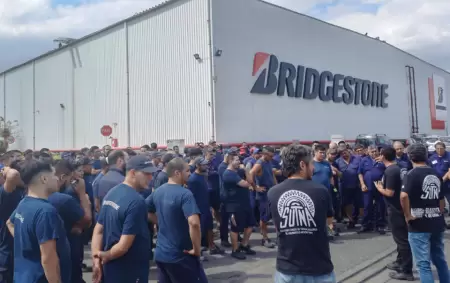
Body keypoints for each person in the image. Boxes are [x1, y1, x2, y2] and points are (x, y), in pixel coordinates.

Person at [268, 144, 336, 283]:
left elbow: (277, 227)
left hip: (287, 269)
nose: (314, 168)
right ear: (302, 165)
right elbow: (328, 223)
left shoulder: (273, 193)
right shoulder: (321, 191)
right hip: (318, 269)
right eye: (311, 163)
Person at [91, 155, 156, 283]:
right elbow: (123, 246)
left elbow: (98, 230)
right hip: (130, 270)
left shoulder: (112, 193)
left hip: (111, 270)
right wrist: (104, 256)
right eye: (146, 173)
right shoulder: (137, 202)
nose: (150, 178)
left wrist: (96, 258)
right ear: (133, 173)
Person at [6, 160, 71, 283]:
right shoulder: (46, 212)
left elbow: (9, 223)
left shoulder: (24, 203)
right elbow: (48, 259)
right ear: (44, 179)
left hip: (23, 277)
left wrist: (29, 244)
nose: (57, 179)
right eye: (53, 175)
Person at [146, 157, 208, 283]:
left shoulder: (158, 191)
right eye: (187, 171)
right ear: (177, 173)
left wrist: (161, 221)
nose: (190, 173)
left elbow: (144, 210)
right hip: (181, 255)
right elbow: (194, 223)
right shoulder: (185, 194)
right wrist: (196, 249)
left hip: (161, 254)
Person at [401, 143, 450, 283]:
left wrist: (407, 216)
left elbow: (403, 196)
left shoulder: (411, 174)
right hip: (436, 221)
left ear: (410, 157)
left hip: (418, 223)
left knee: (423, 264)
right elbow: (441, 200)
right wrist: (438, 213)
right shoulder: (435, 173)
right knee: (440, 260)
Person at [374, 147, 413, 280]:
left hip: (396, 209)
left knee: (401, 240)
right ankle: (400, 261)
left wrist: (380, 188)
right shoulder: (399, 167)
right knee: (401, 239)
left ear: (383, 156)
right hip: (399, 208)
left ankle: (407, 270)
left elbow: (390, 192)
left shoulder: (391, 171)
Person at [222, 154, 256, 259]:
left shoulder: (238, 172)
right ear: (230, 161)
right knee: (235, 228)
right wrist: (246, 171)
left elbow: (250, 180)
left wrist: (245, 170)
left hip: (245, 203)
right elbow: (247, 184)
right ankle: (235, 249)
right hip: (234, 205)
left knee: (250, 225)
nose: (239, 162)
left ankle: (244, 245)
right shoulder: (228, 174)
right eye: (237, 160)